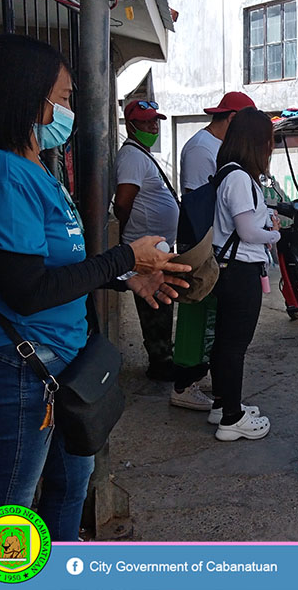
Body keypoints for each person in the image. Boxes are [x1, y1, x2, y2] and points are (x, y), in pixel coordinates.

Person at [0, 34, 190, 541]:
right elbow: (27, 291)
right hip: (18, 367)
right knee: (7, 510)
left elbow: (66, 268)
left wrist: (130, 277)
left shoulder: (38, 167)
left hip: (62, 359)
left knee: (69, 485)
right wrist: (126, 254)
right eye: (61, 98)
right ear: (27, 95)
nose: (67, 109)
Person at [169, 92, 257, 411]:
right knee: (197, 314)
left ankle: (205, 379)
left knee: (215, 321)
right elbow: (199, 204)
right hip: (204, 246)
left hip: (218, 248)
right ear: (233, 119)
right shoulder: (199, 148)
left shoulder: (218, 147)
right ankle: (183, 383)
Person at [207, 108, 280, 441]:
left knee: (225, 343)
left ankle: (223, 405)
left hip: (230, 270)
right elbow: (248, 231)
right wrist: (274, 234)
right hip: (240, 271)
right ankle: (232, 419)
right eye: (269, 141)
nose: (271, 148)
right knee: (234, 347)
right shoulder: (239, 178)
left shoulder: (229, 174)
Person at [114, 100, 182, 384]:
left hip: (158, 246)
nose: (153, 126)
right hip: (147, 248)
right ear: (130, 126)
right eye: (146, 122)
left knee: (162, 301)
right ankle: (159, 361)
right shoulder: (132, 156)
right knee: (154, 302)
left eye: (155, 122)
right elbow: (123, 203)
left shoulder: (141, 154)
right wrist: (131, 237)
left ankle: (163, 355)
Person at [179, 92, 256, 193]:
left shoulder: (221, 143)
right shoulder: (200, 149)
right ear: (232, 118)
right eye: (248, 125)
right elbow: (197, 202)